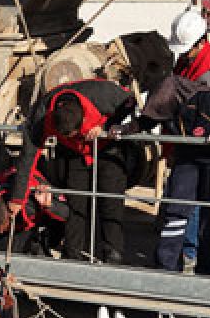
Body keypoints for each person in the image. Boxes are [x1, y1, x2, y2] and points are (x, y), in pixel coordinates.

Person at [136, 75, 210, 274]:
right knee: (175, 211)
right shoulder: (168, 105)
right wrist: (126, 128)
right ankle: (167, 266)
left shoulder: (207, 98)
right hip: (188, 157)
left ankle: (206, 270)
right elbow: (147, 120)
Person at [13, 79, 135, 264]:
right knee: (76, 204)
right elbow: (27, 157)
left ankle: (113, 255)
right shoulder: (42, 114)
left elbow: (130, 101)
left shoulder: (102, 93)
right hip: (74, 153)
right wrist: (16, 198)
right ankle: (73, 255)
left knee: (111, 202)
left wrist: (107, 125)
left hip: (107, 149)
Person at [168, 9, 210, 268]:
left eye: (187, 48)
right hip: (184, 139)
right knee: (181, 200)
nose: (182, 52)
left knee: (191, 203)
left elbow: (200, 109)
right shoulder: (188, 60)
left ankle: (190, 252)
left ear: (201, 42)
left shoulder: (208, 72)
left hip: (199, 142)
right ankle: (182, 249)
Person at [0, 165, 69, 279]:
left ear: (11, 215)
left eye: (3, 228)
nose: (1, 232)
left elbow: (68, 214)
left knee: (53, 229)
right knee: (3, 248)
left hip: (39, 217)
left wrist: (49, 205)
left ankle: (42, 247)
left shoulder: (32, 199)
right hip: (19, 222)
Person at [169, 9, 210, 90]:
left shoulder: (209, 75)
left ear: (201, 43)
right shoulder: (189, 57)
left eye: (187, 50)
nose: (182, 54)